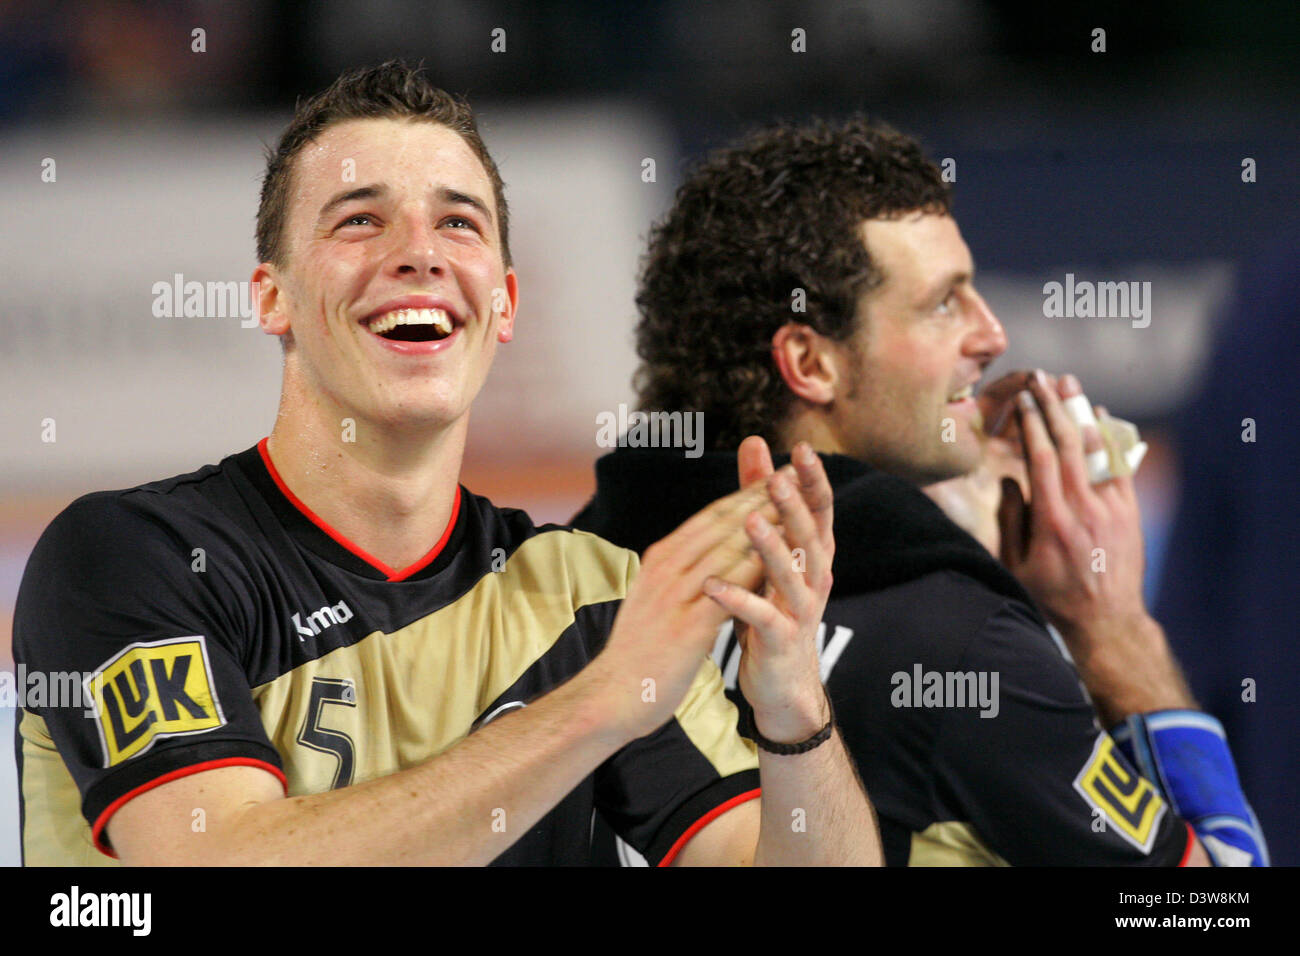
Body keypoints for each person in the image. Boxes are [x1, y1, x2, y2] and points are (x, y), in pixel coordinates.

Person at [13, 62, 881, 867]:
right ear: (271, 296)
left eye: (458, 223)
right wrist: (597, 704)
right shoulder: (129, 558)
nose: (420, 253)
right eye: (360, 219)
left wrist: (795, 712)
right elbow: (215, 858)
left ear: (503, 303)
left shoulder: (590, 599)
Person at [575, 117, 1265, 867]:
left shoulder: (567, 574)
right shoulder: (964, 649)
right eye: (945, 303)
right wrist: (1112, 632)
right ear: (811, 363)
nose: (991, 333)